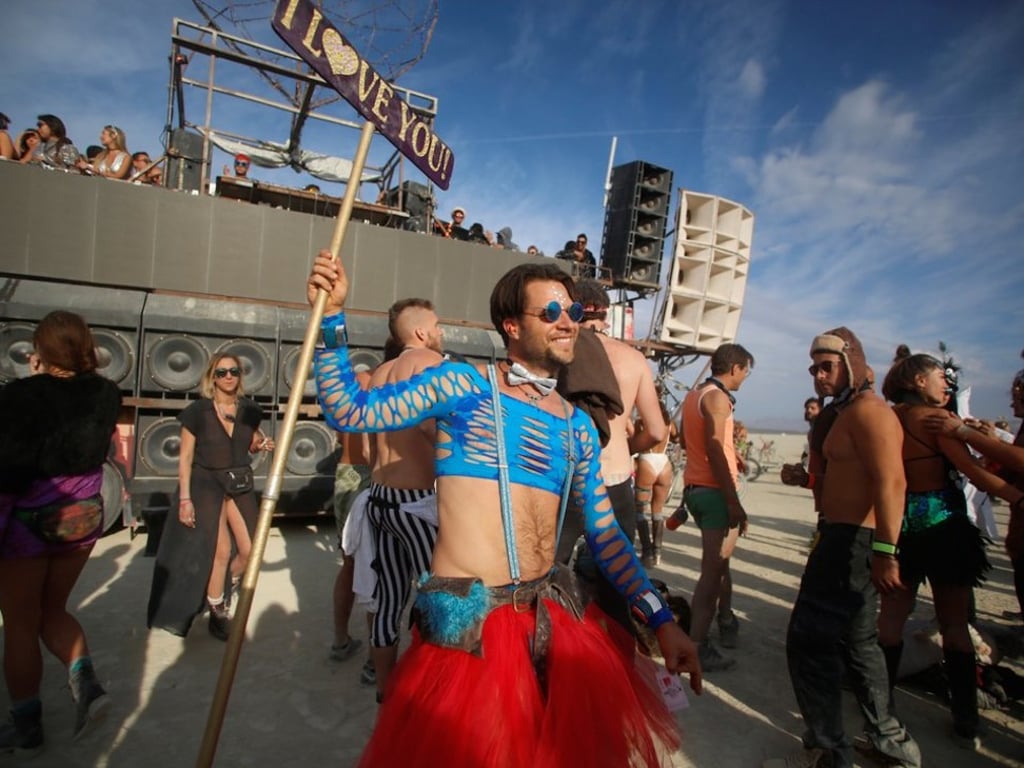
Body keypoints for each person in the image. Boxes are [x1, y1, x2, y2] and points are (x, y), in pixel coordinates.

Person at [307, 252, 700, 767]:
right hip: (470, 636)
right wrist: (331, 317)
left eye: (573, 312)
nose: (568, 322)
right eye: (551, 313)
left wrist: (661, 618)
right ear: (511, 325)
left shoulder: (577, 426)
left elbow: (607, 538)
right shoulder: (462, 387)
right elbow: (349, 410)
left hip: (549, 623)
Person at [765, 327, 920, 768]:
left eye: (827, 366)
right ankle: (892, 744)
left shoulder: (870, 411)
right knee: (858, 643)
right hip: (845, 538)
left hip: (853, 543)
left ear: (852, 364)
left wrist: (886, 552)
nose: (818, 375)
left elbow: (892, 482)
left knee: (809, 641)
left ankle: (829, 749)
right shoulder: (847, 411)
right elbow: (851, 478)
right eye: (814, 368)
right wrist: (809, 480)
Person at [877, 348, 1023, 750]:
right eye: (941, 376)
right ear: (919, 380)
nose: (947, 384)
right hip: (945, 529)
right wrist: (1018, 498)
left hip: (901, 528)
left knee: (890, 620)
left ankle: (880, 706)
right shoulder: (936, 421)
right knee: (955, 624)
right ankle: (965, 718)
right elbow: (974, 473)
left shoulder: (889, 419)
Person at [0, 311, 122, 753]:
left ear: (40, 350)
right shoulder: (107, 393)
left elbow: (10, 470)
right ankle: (86, 685)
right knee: (53, 610)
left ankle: (27, 727)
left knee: (20, 623)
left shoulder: (22, 396)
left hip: (29, 525)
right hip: (82, 518)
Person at [556, 278, 666, 654]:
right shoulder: (633, 359)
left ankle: (547, 658)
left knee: (549, 575)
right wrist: (625, 447)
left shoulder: (560, 351)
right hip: (617, 478)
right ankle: (618, 665)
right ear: (606, 316)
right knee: (618, 587)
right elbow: (656, 430)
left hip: (567, 478)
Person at [147, 355, 274, 641]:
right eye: (222, 372)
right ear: (212, 377)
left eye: (234, 371)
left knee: (251, 551)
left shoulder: (250, 410)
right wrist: (185, 500)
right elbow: (185, 458)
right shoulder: (197, 412)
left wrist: (261, 444)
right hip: (205, 485)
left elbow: (252, 441)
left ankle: (223, 587)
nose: (228, 376)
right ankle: (218, 611)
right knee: (221, 551)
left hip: (238, 483)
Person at [364, 298, 444, 702]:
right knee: (439, 598)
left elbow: (367, 448)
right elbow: (431, 428)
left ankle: (385, 691)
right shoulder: (429, 363)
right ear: (421, 332)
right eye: (437, 325)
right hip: (416, 501)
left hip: (379, 496)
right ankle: (430, 690)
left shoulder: (379, 374)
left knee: (388, 601)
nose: (441, 332)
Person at [676, 343, 753, 673]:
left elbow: (687, 441)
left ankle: (725, 619)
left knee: (720, 564)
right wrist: (733, 501)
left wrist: (732, 453)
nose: (745, 377)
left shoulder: (694, 396)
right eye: (746, 371)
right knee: (712, 573)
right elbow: (714, 446)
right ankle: (697, 646)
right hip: (716, 493)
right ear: (735, 368)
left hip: (695, 489)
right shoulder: (718, 399)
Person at [634, 398, 676, 567]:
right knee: (658, 510)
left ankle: (647, 554)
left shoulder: (641, 423)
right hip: (664, 463)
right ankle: (657, 552)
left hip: (647, 462)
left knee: (640, 511)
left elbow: (636, 442)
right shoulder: (670, 424)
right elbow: (677, 438)